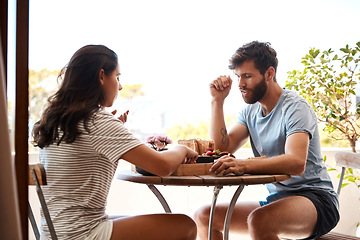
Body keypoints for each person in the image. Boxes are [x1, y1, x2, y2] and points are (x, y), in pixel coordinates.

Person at [32, 45, 198, 240]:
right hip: (83, 235)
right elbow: (162, 165)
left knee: (141, 220)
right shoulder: (96, 121)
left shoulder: (53, 120)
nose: (120, 86)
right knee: (184, 225)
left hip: (53, 233)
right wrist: (182, 149)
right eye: (117, 77)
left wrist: (114, 132)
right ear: (101, 76)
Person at [193, 41, 339, 240]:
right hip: (277, 200)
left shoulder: (295, 108)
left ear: (269, 74)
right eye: (238, 76)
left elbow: (296, 163)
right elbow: (220, 148)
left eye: (247, 76)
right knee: (204, 216)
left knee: (259, 220)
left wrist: (243, 165)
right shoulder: (250, 112)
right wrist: (217, 101)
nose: (240, 84)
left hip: (316, 200)